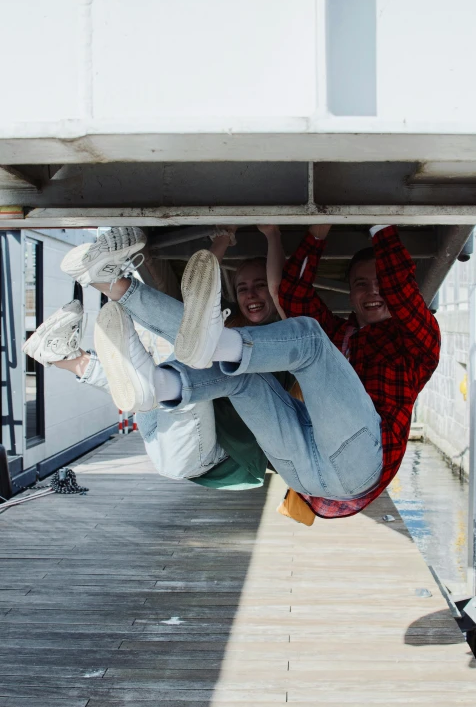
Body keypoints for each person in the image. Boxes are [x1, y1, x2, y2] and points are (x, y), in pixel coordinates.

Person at [50, 222, 440, 520]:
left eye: (380, 284)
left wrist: (381, 227)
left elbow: (404, 292)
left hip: (360, 468)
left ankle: (207, 339)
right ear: (350, 293)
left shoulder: (419, 341)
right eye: (361, 284)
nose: (373, 292)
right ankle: (149, 361)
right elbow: (293, 294)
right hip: (304, 477)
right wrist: (315, 239)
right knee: (246, 379)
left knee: (307, 337)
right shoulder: (344, 334)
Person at [22, 226, 289, 490]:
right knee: (192, 339)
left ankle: (105, 280)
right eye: (242, 288)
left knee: (199, 352)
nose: (251, 294)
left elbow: (279, 293)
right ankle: (64, 355)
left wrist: (273, 235)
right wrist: (221, 239)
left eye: (260, 285)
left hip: (208, 456)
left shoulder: (284, 339)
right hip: (158, 421)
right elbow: (199, 290)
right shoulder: (231, 327)